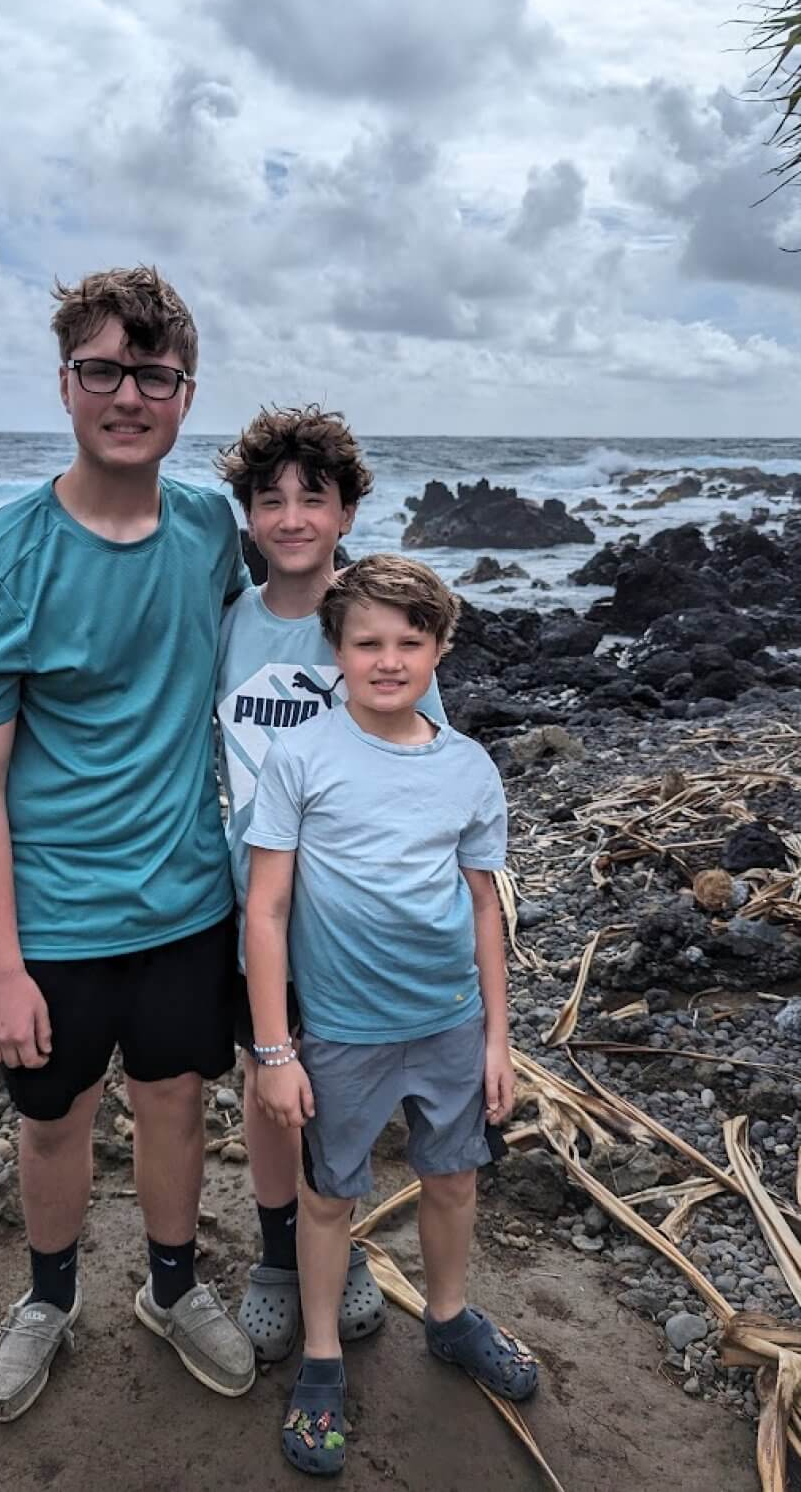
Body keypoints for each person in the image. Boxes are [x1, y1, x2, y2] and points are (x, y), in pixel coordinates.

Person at [0, 266, 256, 1423]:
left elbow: (288, 627)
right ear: (65, 381)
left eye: (154, 374)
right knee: (54, 1118)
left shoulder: (214, 528)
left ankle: (172, 1289)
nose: (130, 394)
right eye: (105, 370)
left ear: (184, 393)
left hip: (185, 899)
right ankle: (48, 1301)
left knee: (175, 1102)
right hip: (54, 915)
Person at [244, 554, 538, 1477]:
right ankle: (323, 1356)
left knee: (453, 1179)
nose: (387, 659)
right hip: (340, 1032)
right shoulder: (300, 756)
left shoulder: (468, 766)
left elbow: (486, 906)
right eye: (366, 641)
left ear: (440, 651)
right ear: (334, 650)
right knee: (329, 1197)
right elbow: (268, 909)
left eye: (410, 641)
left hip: (450, 1023)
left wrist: (499, 1038)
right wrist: (275, 1048)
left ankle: (448, 1316)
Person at [215, 408, 445, 1361]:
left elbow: (423, 766)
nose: (293, 515)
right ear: (249, 516)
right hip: (254, 915)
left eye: (315, 496)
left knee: (346, 1098)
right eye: (271, 499)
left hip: (352, 923)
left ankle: (335, 1243)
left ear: (348, 511)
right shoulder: (228, 622)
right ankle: (279, 1255)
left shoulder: (375, 629)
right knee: (270, 1087)